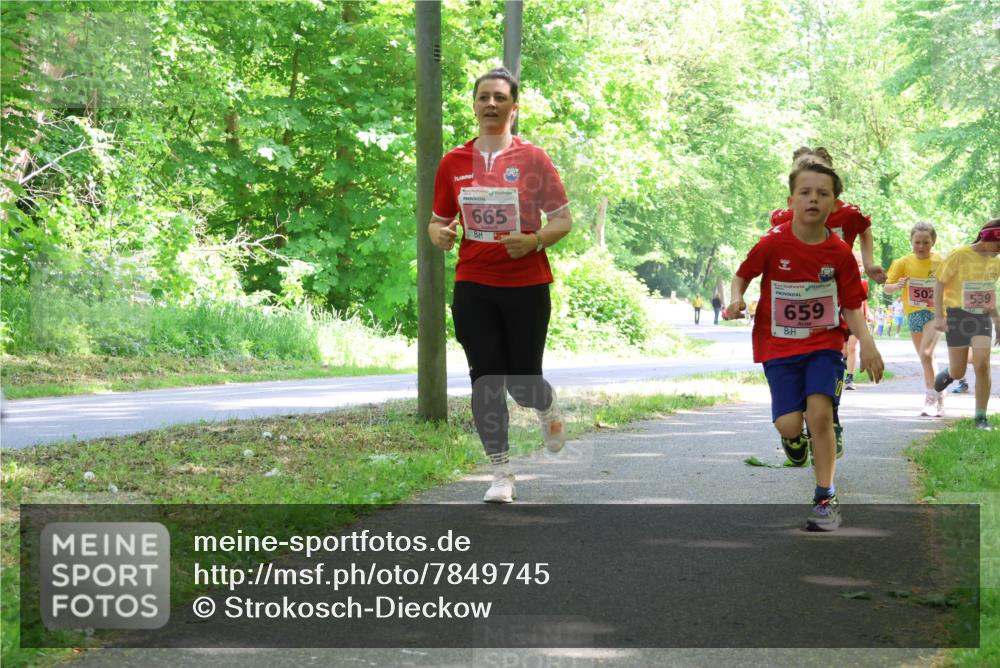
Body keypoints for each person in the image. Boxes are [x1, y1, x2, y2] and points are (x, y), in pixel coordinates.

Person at [428, 67, 573, 502]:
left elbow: (563, 220)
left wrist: (533, 241)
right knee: (486, 380)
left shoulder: (533, 159)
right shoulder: (454, 162)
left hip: (527, 284)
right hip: (474, 282)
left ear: (514, 107)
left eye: (499, 97)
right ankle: (501, 473)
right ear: (474, 105)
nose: (491, 104)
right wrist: (441, 235)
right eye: (483, 97)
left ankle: (546, 406)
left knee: (522, 384)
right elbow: (437, 223)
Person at [726, 157, 884, 531]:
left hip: (824, 343)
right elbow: (742, 275)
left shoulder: (840, 254)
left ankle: (825, 497)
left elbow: (849, 306)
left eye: (823, 194)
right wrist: (735, 299)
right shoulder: (772, 242)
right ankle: (794, 443)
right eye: (805, 192)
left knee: (821, 416)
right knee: (788, 425)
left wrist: (868, 343)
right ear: (791, 200)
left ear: (834, 204)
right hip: (778, 346)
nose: (814, 199)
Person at [931, 218, 1000, 430]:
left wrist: (997, 319)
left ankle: (981, 417)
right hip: (957, 315)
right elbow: (939, 282)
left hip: (980, 317)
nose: (999, 251)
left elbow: (988, 293)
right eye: (999, 245)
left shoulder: (996, 262)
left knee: (982, 363)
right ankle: (950, 373)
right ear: (986, 237)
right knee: (959, 371)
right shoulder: (960, 255)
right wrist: (939, 315)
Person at [884, 222, 942, 416]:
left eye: (926, 242)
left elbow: (952, 285)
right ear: (911, 241)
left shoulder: (941, 262)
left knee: (926, 353)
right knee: (926, 357)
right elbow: (887, 287)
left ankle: (930, 398)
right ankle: (939, 391)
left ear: (933, 242)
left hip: (936, 313)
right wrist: (897, 285)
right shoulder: (903, 263)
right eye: (917, 242)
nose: (921, 246)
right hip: (915, 313)